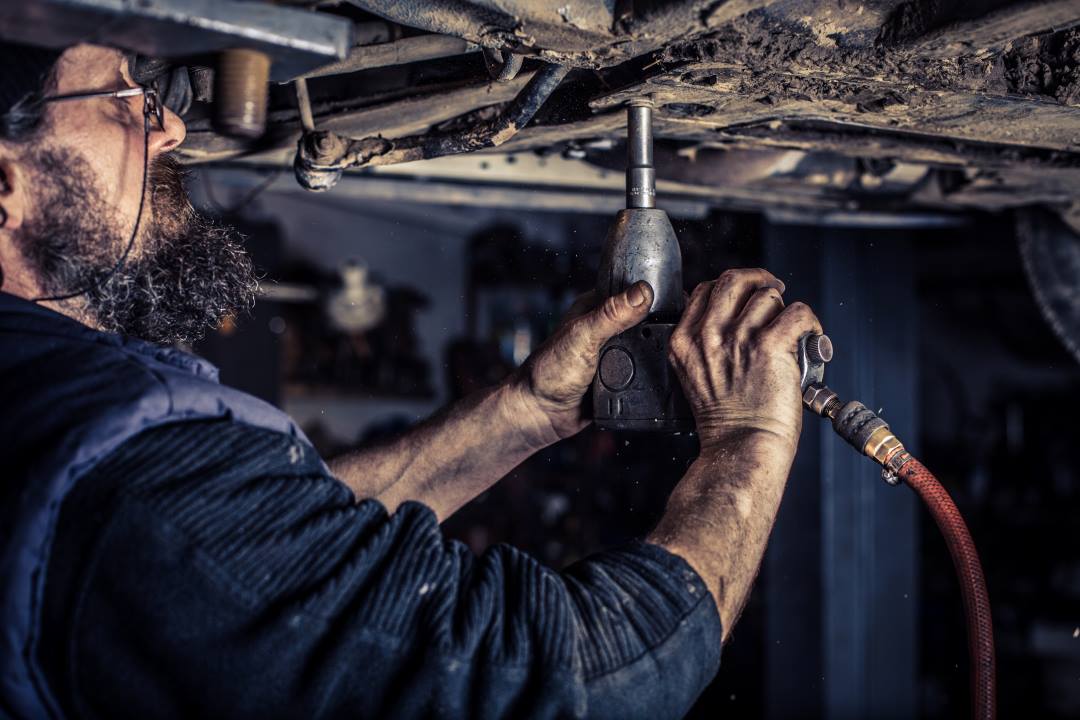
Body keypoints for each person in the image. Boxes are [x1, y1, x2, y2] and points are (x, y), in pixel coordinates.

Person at [0, 43, 822, 719]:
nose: (172, 127)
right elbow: (583, 684)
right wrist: (750, 442)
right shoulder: (130, 495)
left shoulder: (51, 401)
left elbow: (291, 538)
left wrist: (526, 412)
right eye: (123, 100)